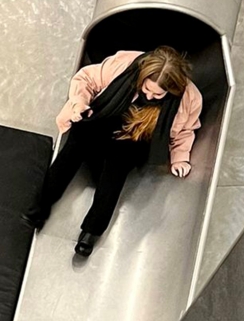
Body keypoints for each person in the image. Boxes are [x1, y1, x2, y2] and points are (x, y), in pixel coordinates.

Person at [23, 46, 202, 257]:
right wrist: (80, 103)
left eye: (158, 94)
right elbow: (86, 79)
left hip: (135, 135)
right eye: (146, 89)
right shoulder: (124, 64)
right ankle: (39, 206)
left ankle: (91, 231)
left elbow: (185, 130)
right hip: (107, 117)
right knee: (77, 141)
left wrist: (180, 158)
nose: (150, 96)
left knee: (116, 168)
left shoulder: (189, 98)